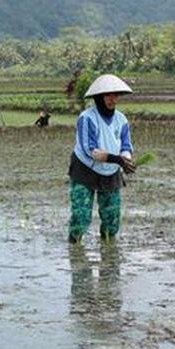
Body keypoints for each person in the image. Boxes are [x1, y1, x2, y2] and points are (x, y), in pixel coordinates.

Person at [68, 74, 136, 244]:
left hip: (111, 170)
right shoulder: (87, 118)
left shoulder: (121, 120)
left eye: (116, 95)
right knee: (81, 215)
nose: (113, 99)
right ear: (99, 97)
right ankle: (75, 248)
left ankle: (109, 257)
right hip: (85, 170)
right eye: (108, 95)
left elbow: (126, 146)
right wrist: (118, 159)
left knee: (112, 218)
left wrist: (126, 160)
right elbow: (91, 151)